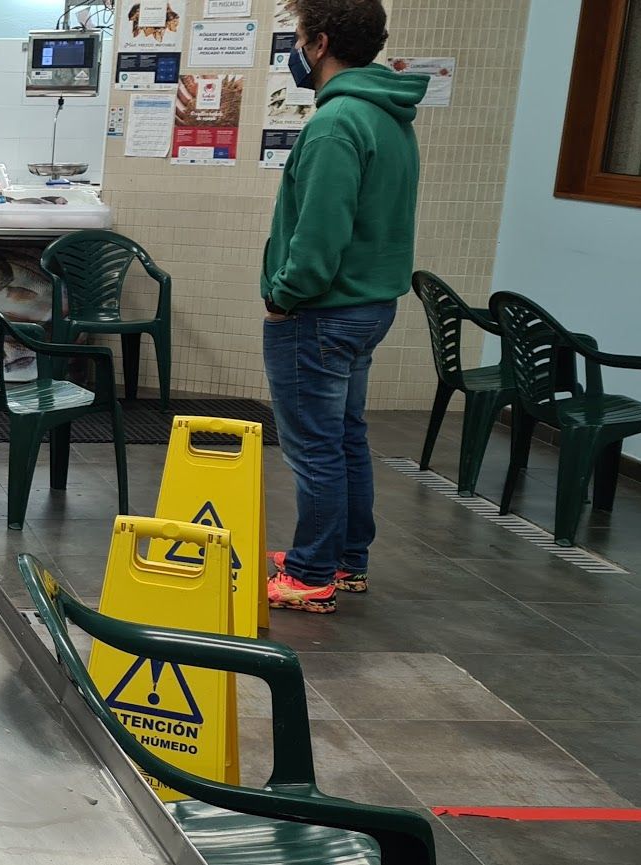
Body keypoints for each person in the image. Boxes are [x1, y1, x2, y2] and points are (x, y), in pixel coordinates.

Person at [261, 0, 424, 614]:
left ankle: (308, 575)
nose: (296, 52)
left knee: (316, 447)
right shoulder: (388, 115)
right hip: (369, 305)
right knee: (346, 436)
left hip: (321, 312)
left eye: (299, 39)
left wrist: (284, 297)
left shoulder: (335, 123)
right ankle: (345, 559)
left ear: (321, 43)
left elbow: (319, 236)